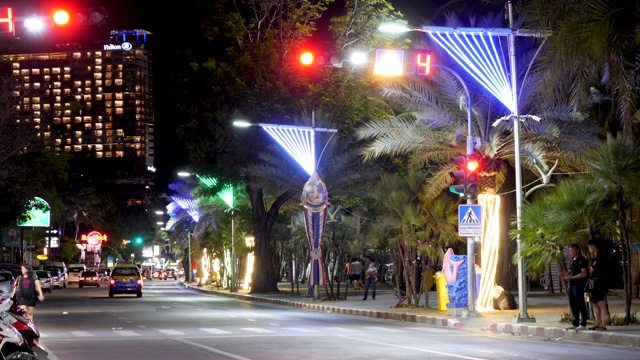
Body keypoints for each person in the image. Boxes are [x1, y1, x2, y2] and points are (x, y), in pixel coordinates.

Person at [563, 243, 589, 330]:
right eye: (570, 251)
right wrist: (566, 275)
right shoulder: (572, 260)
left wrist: (572, 277)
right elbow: (570, 270)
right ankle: (575, 322)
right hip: (571, 285)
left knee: (580, 303)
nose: (571, 252)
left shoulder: (581, 259)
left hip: (578, 285)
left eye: (572, 250)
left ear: (577, 250)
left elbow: (584, 273)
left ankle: (583, 323)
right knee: (573, 304)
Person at [587, 239, 608, 331]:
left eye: (589, 247)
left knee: (600, 303)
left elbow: (602, 269)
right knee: (595, 303)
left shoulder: (601, 257)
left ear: (593, 246)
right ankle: (598, 322)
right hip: (593, 283)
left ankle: (603, 323)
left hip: (599, 282)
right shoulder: (594, 258)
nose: (589, 250)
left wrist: (593, 270)